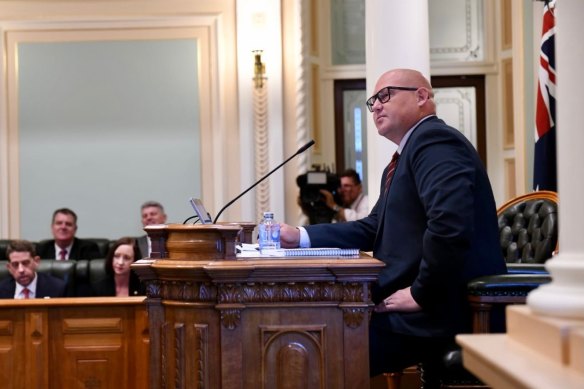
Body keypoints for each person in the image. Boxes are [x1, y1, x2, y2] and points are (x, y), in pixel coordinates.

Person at [280, 68, 506, 383]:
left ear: (422, 96)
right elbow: (372, 227)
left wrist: (420, 293)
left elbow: (449, 225)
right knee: (309, 338)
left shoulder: (434, 140)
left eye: (385, 95)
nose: (375, 106)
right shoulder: (405, 155)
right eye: (372, 100)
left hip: (437, 310)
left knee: (312, 350)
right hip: (415, 304)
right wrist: (300, 236)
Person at [0, 240, 66, 299]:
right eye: (15, 265)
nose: (21, 270)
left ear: (36, 261)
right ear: (9, 268)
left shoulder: (57, 288)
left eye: (25, 263)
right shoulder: (1, 290)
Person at [35, 208, 101, 260]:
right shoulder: (41, 250)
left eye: (68, 224)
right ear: (52, 227)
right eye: (59, 223)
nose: (63, 227)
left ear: (75, 229)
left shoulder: (88, 249)